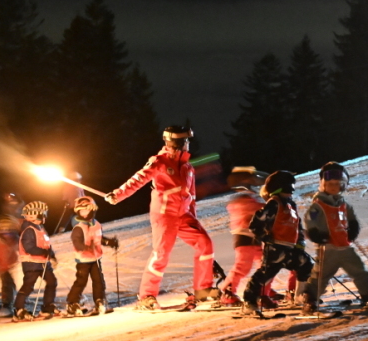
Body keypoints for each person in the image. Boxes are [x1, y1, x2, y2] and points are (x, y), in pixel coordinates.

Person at [105, 126, 217, 311]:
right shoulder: (159, 161)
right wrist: (118, 195)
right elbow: (138, 179)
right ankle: (147, 296)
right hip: (165, 215)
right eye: (186, 142)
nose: (189, 145)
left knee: (205, 243)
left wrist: (193, 216)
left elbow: (192, 195)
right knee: (162, 254)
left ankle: (203, 289)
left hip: (184, 215)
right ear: (177, 143)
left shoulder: (188, 167)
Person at [241, 171, 316, 317]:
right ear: (279, 189)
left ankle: (301, 296)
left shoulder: (290, 205)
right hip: (276, 248)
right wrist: (264, 236)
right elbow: (256, 223)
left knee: (306, 264)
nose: (291, 194)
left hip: (291, 247)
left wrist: (300, 242)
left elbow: (297, 226)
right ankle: (249, 302)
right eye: (288, 191)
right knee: (265, 275)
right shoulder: (274, 203)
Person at [304, 162, 368, 309]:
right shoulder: (319, 204)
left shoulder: (343, 204)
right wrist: (315, 233)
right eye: (331, 184)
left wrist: (353, 229)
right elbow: (311, 220)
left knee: (359, 271)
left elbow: (352, 218)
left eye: (338, 184)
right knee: (321, 275)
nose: (335, 188)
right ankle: (310, 299)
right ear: (323, 185)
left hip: (344, 246)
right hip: (328, 248)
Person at [219, 166, 268, 307]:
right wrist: (270, 205)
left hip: (255, 237)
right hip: (244, 237)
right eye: (250, 178)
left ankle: (264, 290)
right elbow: (256, 209)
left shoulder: (248, 197)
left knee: (263, 264)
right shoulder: (240, 200)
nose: (254, 181)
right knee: (242, 267)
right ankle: (227, 292)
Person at [64, 197, 119, 316]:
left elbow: (99, 238)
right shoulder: (79, 227)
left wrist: (109, 242)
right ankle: (72, 303)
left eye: (86, 210)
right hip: (83, 260)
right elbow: (76, 241)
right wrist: (84, 247)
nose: (84, 214)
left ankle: (99, 300)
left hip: (95, 258)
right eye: (81, 211)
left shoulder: (96, 225)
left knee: (99, 280)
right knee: (81, 281)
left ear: (93, 210)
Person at [13, 200, 60, 321]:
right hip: (31, 263)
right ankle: (19, 309)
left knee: (52, 282)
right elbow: (30, 248)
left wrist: (52, 256)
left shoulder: (40, 228)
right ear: (35, 215)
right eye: (43, 214)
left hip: (43, 263)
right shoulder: (29, 229)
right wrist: (45, 253)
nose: (45, 217)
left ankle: (47, 307)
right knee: (28, 285)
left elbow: (46, 245)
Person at [0, 214, 21, 315]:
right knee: (7, 284)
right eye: (4, 228)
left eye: (9, 228)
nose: (6, 230)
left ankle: (8, 303)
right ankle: (6, 305)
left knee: (10, 284)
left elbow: (22, 247)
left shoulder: (15, 238)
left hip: (8, 264)